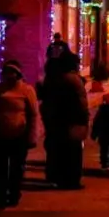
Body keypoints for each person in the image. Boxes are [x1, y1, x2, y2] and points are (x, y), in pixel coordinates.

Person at [0, 60, 39, 209]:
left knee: (16, 169)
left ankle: (14, 194)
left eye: (12, 72)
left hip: (19, 136)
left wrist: (32, 135)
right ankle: (0, 197)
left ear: (18, 74)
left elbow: (33, 114)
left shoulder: (27, 90)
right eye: (7, 72)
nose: (10, 75)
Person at [40, 52, 90, 189]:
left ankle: (57, 176)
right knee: (74, 152)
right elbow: (81, 102)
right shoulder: (73, 79)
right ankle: (72, 180)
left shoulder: (54, 78)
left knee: (59, 149)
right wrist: (85, 118)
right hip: (73, 119)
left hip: (58, 120)